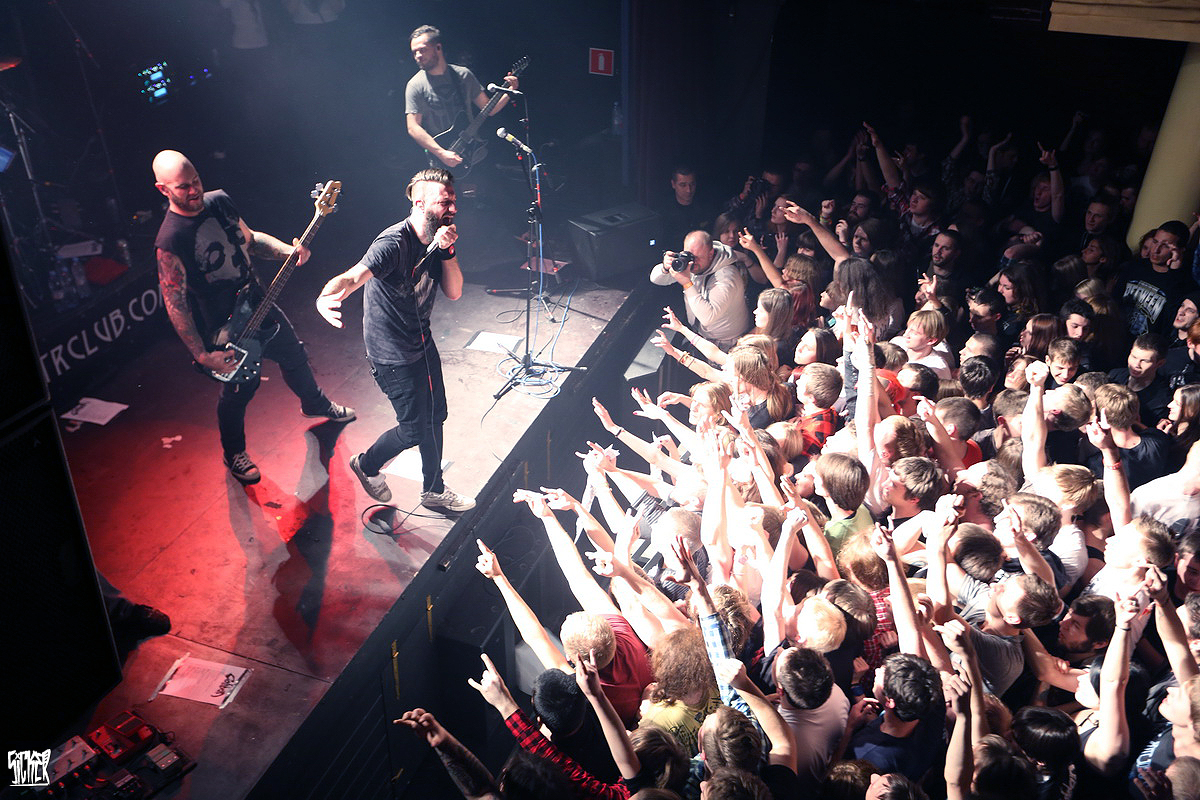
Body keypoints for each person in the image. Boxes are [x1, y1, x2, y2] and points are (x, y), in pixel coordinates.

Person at [152, 150, 354, 485]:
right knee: (239, 391)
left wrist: (286, 251)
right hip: (225, 328)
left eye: (196, 180)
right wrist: (202, 354)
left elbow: (251, 240)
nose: (194, 190)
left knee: (294, 355)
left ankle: (315, 404)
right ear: (163, 189)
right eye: (183, 186)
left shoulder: (219, 201)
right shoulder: (171, 240)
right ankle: (234, 453)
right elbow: (176, 304)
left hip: (261, 300)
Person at [316, 167, 474, 512]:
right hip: (391, 354)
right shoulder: (393, 243)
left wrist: (448, 251)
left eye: (453, 201)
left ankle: (433, 490)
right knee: (414, 429)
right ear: (420, 204)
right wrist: (326, 295)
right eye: (444, 202)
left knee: (436, 416)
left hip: (421, 341)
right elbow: (352, 277)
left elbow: (454, 292)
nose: (452, 208)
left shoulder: (437, 240)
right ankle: (367, 464)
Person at [404, 25, 518, 169]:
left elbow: (490, 108)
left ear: (438, 47)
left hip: (473, 155)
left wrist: (510, 90)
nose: (418, 56)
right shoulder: (415, 85)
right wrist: (441, 153)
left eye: (422, 50)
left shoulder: (463, 75)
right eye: (414, 52)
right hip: (440, 161)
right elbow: (413, 127)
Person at [651, 230, 751, 350]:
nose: (693, 262)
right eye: (689, 255)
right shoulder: (692, 264)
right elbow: (656, 279)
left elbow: (708, 317)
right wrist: (665, 268)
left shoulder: (726, 277)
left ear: (711, 254)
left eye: (697, 258)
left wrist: (687, 283)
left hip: (727, 343)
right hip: (702, 335)